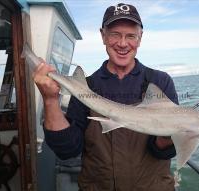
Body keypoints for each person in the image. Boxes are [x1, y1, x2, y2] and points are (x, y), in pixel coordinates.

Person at [33, 3, 178, 191]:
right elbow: (67, 150)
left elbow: (162, 151)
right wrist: (50, 100)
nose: (123, 43)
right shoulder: (86, 88)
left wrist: (173, 135)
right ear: (103, 35)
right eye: (115, 34)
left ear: (140, 38)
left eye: (131, 36)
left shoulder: (159, 82)